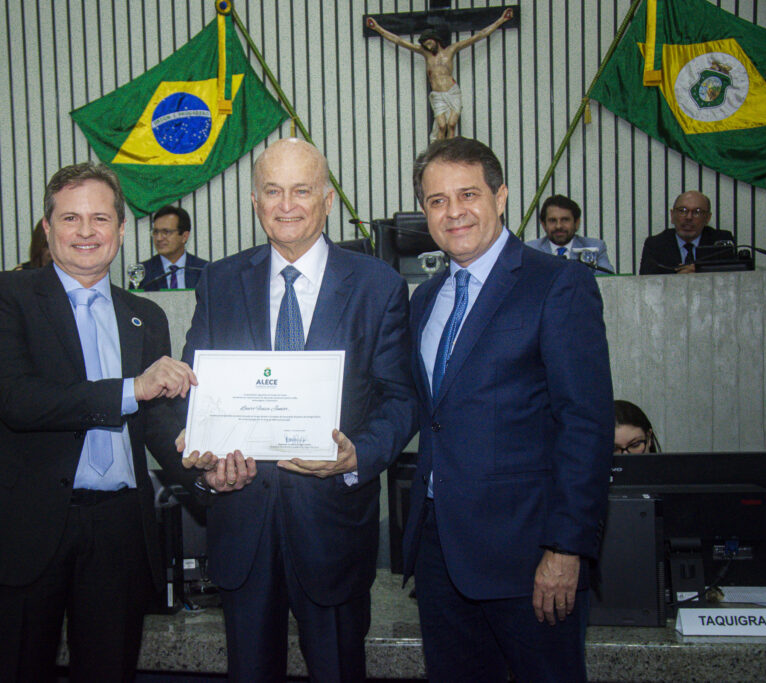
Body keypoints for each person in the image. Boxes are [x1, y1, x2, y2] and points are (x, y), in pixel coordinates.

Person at [0, 162, 198, 682]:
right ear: (47, 228)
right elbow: (18, 399)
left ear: (122, 231)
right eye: (70, 218)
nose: (86, 232)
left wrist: (205, 471)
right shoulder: (2, 296)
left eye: (101, 218)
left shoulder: (145, 316)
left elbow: (155, 424)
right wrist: (133, 388)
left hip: (119, 532)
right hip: (23, 522)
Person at [179, 138, 417, 682]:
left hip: (333, 528)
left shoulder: (377, 284)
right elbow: (202, 387)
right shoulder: (218, 282)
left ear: (328, 200)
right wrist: (197, 443)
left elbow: (400, 399)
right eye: (272, 191)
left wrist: (358, 455)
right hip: (242, 523)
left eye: (301, 190)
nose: (287, 205)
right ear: (256, 203)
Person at [403, 137, 613, 682]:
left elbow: (585, 425)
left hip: (530, 562)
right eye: (437, 201)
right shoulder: (424, 300)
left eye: (468, 194)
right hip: (439, 557)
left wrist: (566, 549)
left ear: (500, 197)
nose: (454, 212)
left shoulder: (558, 284)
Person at [366, 9, 514, 140]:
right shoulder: (425, 54)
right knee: (441, 126)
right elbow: (399, 41)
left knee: (451, 124)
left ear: (436, 40)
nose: (428, 46)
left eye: (430, 43)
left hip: (452, 91)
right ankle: (438, 150)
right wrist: (378, 28)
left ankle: (449, 149)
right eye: (426, 44)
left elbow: (479, 36)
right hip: (437, 94)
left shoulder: (451, 50)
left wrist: (501, 20)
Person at [638, 191, 735, 274]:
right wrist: (678, 281)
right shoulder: (655, 245)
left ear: (707, 218)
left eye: (697, 212)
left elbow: (733, 279)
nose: (689, 217)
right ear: (672, 215)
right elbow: (646, 283)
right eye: (682, 211)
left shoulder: (721, 241)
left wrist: (701, 275)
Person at [525, 194, 614, 273]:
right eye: (552, 220)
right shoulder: (530, 250)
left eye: (565, 220)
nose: (558, 226)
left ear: (576, 223)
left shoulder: (595, 247)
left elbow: (607, 281)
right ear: (544, 224)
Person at [141, 205, 208, 290]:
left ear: (184, 236)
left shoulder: (203, 270)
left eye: (166, 232)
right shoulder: (143, 272)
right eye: (156, 232)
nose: (159, 238)